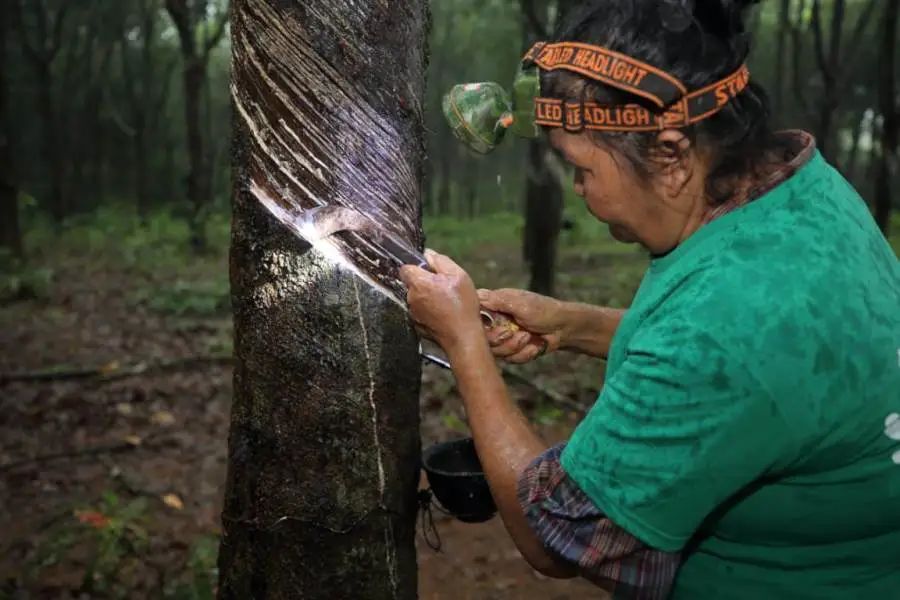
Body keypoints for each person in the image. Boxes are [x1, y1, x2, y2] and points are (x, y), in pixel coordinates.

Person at [399, 1, 900, 598]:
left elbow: (553, 532)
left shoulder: (718, 329)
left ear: (669, 154)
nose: (580, 191)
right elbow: (768, 362)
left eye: (582, 168)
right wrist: (573, 325)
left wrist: (464, 345)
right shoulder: (801, 189)